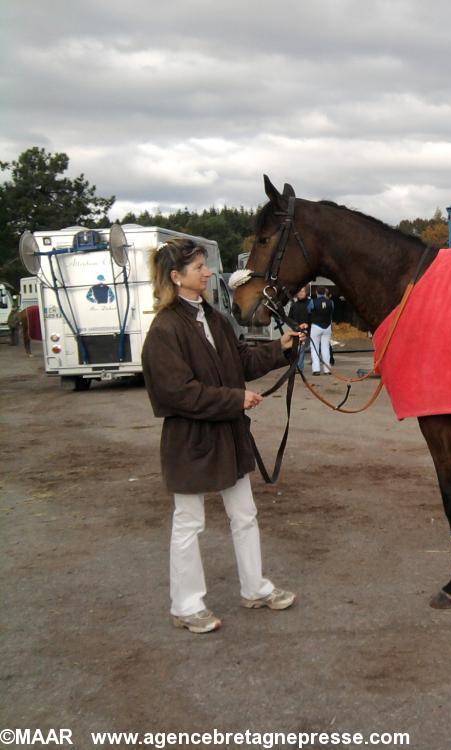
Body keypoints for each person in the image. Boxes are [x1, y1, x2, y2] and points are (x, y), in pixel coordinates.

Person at [141, 238, 304, 634]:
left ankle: (255, 587)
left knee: (245, 515)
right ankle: (186, 605)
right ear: (177, 277)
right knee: (189, 522)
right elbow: (176, 393)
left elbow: (241, 360)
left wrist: (279, 348)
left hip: (228, 435)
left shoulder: (213, 318)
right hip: (191, 441)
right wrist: (233, 399)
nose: (209, 272)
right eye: (199, 268)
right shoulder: (164, 329)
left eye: (205, 266)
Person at [308, 287, 334, 376]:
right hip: (327, 327)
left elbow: (309, 310)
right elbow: (332, 311)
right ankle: (327, 370)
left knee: (314, 348)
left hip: (316, 326)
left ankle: (316, 370)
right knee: (326, 348)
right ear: (325, 292)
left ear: (316, 292)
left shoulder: (313, 302)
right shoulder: (331, 302)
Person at [287, 286, 311, 372]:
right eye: (299, 291)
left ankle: (299, 368)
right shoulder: (294, 305)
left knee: (300, 349)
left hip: (306, 331)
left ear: (306, 293)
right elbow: (289, 318)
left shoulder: (310, 303)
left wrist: (307, 324)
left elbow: (313, 317)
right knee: (296, 350)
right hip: (295, 330)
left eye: (303, 291)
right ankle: (296, 367)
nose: (301, 293)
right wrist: (295, 326)